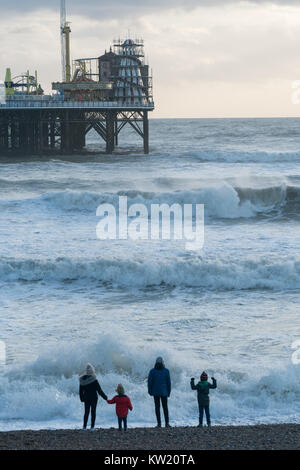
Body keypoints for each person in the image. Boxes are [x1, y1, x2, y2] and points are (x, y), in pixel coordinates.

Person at [79, 363, 108, 430]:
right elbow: (99, 390)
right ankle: (92, 427)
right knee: (93, 412)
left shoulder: (82, 380)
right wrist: (105, 397)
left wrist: (81, 398)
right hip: (94, 398)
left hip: (86, 398)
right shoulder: (94, 380)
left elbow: (80, 391)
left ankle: (84, 427)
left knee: (86, 412)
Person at [148, 357, 171, 428]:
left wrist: (150, 391)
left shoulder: (152, 371)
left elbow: (149, 382)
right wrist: (169, 392)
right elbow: (169, 383)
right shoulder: (166, 371)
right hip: (164, 392)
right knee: (165, 407)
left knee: (157, 407)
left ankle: (159, 424)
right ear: (162, 362)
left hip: (155, 392)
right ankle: (167, 423)